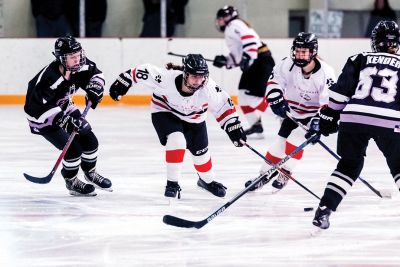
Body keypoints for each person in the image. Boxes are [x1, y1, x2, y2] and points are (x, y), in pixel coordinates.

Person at [109, 54, 247, 199]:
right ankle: (172, 184)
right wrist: (125, 79)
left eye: (202, 77)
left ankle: (206, 181)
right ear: (185, 74)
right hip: (165, 112)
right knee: (177, 140)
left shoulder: (209, 88)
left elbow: (223, 106)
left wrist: (233, 126)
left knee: (202, 158)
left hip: (195, 120)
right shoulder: (165, 78)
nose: (198, 81)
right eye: (194, 76)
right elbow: (143, 71)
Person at [312, 20, 400, 229]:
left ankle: (325, 208)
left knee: (349, 165)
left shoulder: (358, 58)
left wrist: (329, 117)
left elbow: (340, 94)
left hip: (353, 119)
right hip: (389, 121)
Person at [244, 32, 336, 192]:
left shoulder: (326, 73)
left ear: (313, 52)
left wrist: (319, 123)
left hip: (312, 116)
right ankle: (263, 175)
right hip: (292, 113)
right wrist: (275, 97)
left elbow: (328, 103)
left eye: (304, 51)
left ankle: (285, 172)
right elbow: (274, 81)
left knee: (293, 142)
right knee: (278, 145)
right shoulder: (287, 64)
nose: (299, 54)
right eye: (297, 50)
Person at [24, 36, 112, 196]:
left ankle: (90, 172)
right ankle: (71, 181)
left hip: (64, 106)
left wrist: (96, 87)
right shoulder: (49, 78)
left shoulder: (80, 66)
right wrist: (63, 120)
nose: (77, 59)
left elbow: (96, 74)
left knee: (90, 140)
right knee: (73, 149)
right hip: (42, 117)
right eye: (72, 57)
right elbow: (34, 107)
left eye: (78, 54)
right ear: (61, 59)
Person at [213, 5, 275, 139]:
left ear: (227, 17)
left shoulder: (234, 24)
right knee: (242, 95)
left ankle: (282, 115)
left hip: (260, 62)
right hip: (256, 62)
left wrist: (248, 58)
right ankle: (256, 125)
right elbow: (239, 57)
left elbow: (250, 40)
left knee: (253, 98)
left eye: (221, 19)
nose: (219, 22)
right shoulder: (232, 28)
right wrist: (225, 60)